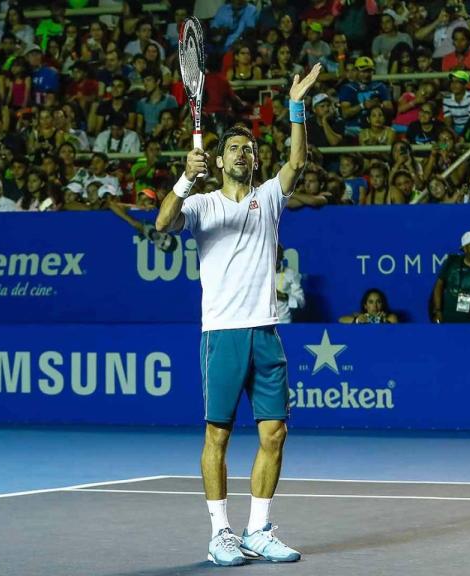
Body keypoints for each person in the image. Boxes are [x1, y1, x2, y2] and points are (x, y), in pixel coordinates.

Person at [154, 63, 323, 567]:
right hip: (222, 334)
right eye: (235, 148)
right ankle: (220, 532)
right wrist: (185, 179)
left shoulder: (269, 197)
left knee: (275, 433)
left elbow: (296, 160)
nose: (244, 153)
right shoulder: (203, 204)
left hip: (265, 333)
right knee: (218, 436)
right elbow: (162, 222)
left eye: (250, 149)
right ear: (220, 160)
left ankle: (258, 528)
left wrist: (296, 107)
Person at [275, 245, 304, 323]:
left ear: (281, 256)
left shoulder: (292, 274)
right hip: (262, 323)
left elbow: (301, 302)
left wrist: (282, 296)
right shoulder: (258, 274)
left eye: (276, 255)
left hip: (283, 321)